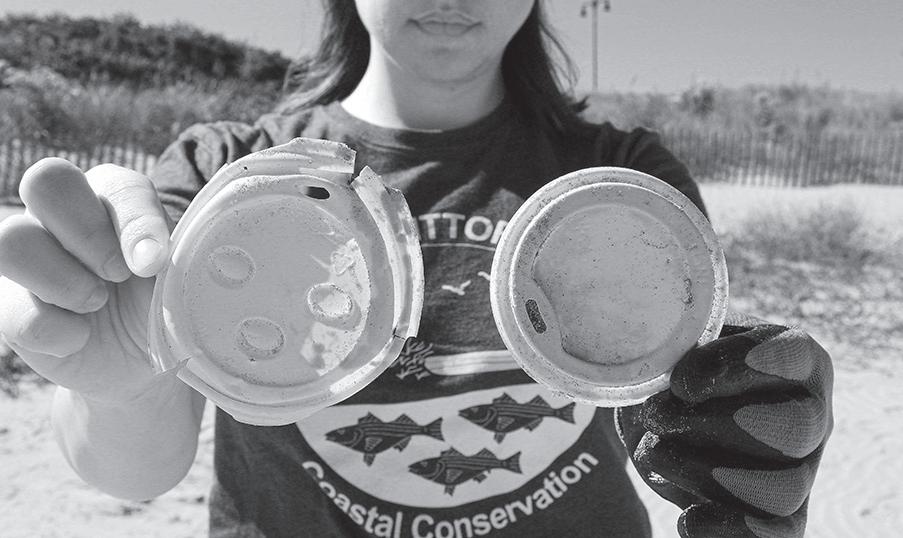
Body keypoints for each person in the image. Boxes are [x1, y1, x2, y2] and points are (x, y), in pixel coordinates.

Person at [0, 1, 833, 537]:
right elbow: (135, 472)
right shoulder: (231, 174)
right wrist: (121, 384)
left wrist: (733, 417)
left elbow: (685, 409)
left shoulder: (619, 186)